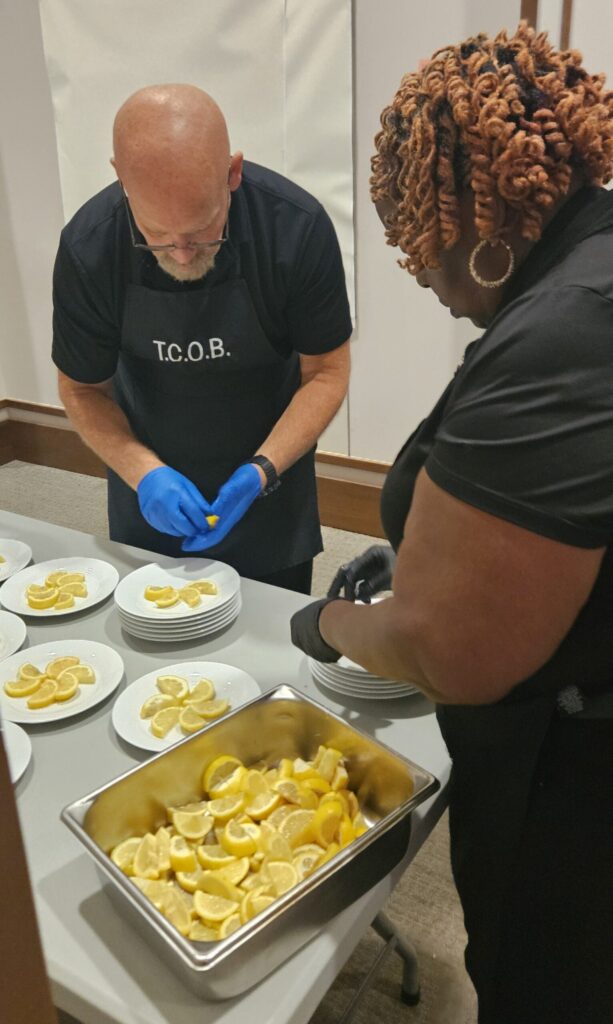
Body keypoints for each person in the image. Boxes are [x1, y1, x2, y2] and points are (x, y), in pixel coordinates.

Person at [291, 23, 613, 1023]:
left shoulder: (565, 328)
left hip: (573, 798)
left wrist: (329, 627)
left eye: (418, 247)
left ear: (476, 225)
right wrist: (435, 542)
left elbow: (452, 649)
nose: (423, 279)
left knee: (539, 985)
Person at [52, 84, 352, 594]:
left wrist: (261, 470)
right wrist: (144, 473)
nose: (183, 255)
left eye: (201, 231)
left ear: (233, 173)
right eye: (158, 237)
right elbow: (82, 389)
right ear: (121, 178)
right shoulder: (90, 248)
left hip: (269, 488)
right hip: (146, 484)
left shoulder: (295, 229)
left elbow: (326, 371)